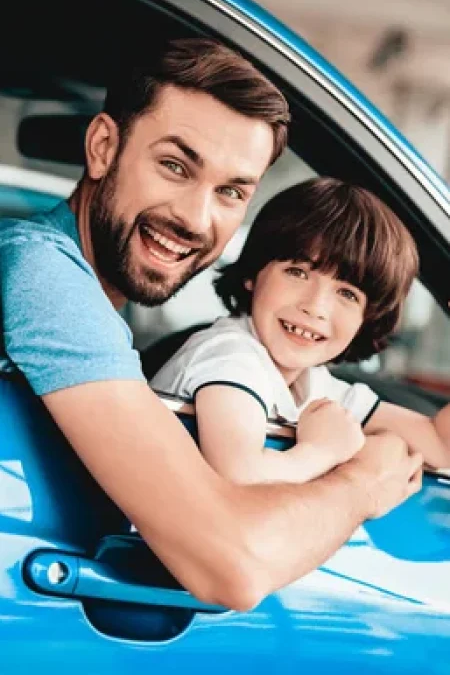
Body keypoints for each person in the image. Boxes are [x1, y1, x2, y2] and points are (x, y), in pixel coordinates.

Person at [0, 39, 423, 612]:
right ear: (103, 147)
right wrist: (361, 486)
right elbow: (232, 565)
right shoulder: (44, 275)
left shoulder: (96, 299)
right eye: (175, 166)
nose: (196, 219)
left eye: (230, 191)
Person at [152, 177, 450, 486]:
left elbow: (439, 445)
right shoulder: (230, 356)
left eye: (347, 294)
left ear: (366, 319)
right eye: (297, 273)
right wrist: (321, 452)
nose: (315, 306)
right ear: (254, 273)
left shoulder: (312, 383)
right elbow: (240, 474)